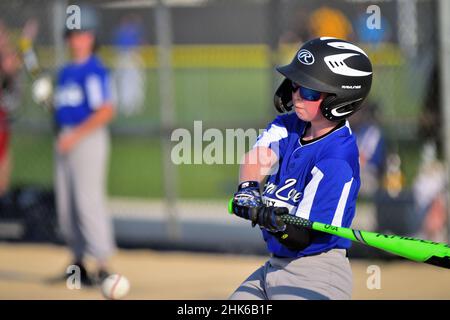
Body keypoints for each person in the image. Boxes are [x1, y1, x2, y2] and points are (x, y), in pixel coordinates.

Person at [229, 37, 373, 300]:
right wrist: (248, 189)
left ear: (340, 98)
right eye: (295, 85)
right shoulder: (288, 125)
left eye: (309, 92)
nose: (296, 96)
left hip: (317, 272)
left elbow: (300, 236)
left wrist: (272, 220)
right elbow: (258, 157)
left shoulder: (337, 159)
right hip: (274, 266)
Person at [53, 9, 116, 286]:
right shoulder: (65, 72)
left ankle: (102, 264)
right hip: (66, 139)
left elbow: (105, 110)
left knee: (87, 201)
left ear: (91, 37)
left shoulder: (94, 70)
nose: (77, 39)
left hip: (87, 138)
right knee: (66, 206)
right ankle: (78, 265)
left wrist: (75, 135)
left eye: (82, 34)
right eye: (73, 34)